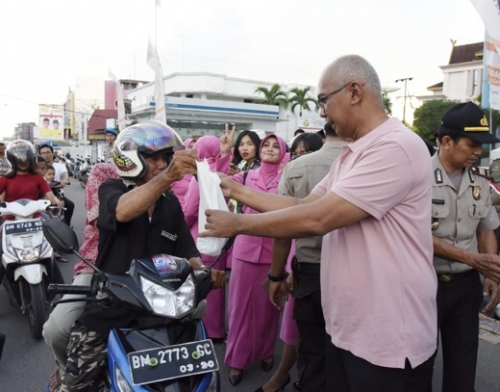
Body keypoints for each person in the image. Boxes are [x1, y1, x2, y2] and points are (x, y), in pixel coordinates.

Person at [200, 55, 449, 392]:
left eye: (323, 100)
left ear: (355, 92)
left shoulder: (396, 146)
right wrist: (232, 188)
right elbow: (303, 205)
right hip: (351, 328)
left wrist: (237, 224)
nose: (321, 113)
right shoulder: (354, 153)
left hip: (387, 339)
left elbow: (319, 219)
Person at [54, 121, 226, 391]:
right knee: (74, 379)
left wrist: (205, 271)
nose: (162, 164)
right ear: (132, 160)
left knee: (196, 377)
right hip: (114, 302)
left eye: (166, 158)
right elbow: (122, 212)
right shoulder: (112, 189)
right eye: (154, 158)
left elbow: (187, 251)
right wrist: (168, 177)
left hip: (163, 305)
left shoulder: (171, 205)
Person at [257, 123, 347, 392]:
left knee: (313, 351)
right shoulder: (367, 162)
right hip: (354, 274)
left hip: (311, 274)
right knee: (348, 354)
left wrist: (276, 275)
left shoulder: (298, 168)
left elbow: (282, 228)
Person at [431, 102, 500, 392]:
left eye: (482, 146)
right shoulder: (415, 178)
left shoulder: (479, 184)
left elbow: (485, 229)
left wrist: (492, 272)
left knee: (462, 365)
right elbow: (413, 236)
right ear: (447, 141)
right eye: (472, 144)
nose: (478, 152)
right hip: (423, 284)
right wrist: (475, 259)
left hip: (465, 287)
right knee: (417, 364)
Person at [43, 163, 119, 390]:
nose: (158, 164)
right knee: (56, 329)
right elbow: (102, 220)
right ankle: (68, 370)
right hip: (96, 265)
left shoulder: (168, 183)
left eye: (161, 158)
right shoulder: (103, 172)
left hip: (148, 269)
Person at [223, 134, 288, 387]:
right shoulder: (247, 176)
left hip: (274, 253)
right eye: (266, 145)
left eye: (276, 146)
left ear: (283, 152)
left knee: (269, 309)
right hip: (245, 251)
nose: (270, 149)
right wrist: (223, 156)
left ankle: (266, 351)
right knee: (239, 308)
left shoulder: (286, 178)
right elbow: (219, 183)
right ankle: (236, 360)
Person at [183, 130, 232, 341]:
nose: (193, 149)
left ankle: (208, 330)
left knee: (203, 285)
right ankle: (218, 328)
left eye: (197, 146)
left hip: (200, 236)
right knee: (218, 287)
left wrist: (180, 230)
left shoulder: (200, 175)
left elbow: (191, 210)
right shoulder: (221, 172)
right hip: (219, 236)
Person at [39, 144, 74, 226]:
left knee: (70, 205)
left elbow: (64, 175)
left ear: (52, 154)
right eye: (43, 153)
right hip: (41, 195)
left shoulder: (60, 166)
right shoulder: (37, 167)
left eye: (48, 152)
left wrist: (64, 180)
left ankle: (67, 226)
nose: (46, 155)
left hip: (56, 194)